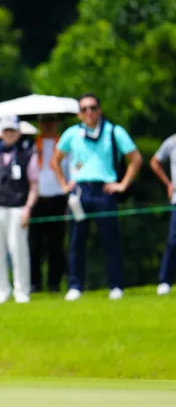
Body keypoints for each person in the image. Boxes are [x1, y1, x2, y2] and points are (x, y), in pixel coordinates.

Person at [51, 93, 142, 301]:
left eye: (92, 108)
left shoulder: (114, 131)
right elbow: (55, 160)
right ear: (79, 114)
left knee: (110, 240)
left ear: (99, 110)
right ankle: (75, 286)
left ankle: (116, 285)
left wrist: (122, 185)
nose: (89, 112)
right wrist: (64, 184)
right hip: (80, 191)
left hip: (104, 190)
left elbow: (135, 159)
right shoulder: (72, 134)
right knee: (76, 240)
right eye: (84, 109)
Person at [0, 116, 39, 305]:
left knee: (18, 250)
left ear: (18, 132)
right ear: (1, 133)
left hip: (18, 206)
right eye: (6, 131)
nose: (9, 134)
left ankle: (21, 291)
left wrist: (28, 208)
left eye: (12, 130)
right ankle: (1, 291)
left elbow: (34, 184)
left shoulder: (27, 152)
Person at [29, 114, 69, 293]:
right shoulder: (31, 145)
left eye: (51, 121)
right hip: (37, 197)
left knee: (56, 243)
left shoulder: (64, 144)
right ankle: (35, 283)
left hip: (58, 195)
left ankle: (54, 282)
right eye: (44, 121)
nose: (48, 125)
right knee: (35, 244)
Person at [150, 134, 176, 296]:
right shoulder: (172, 142)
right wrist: (168, 183)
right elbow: (155, 161)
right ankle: (165, 281)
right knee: (173, 241)